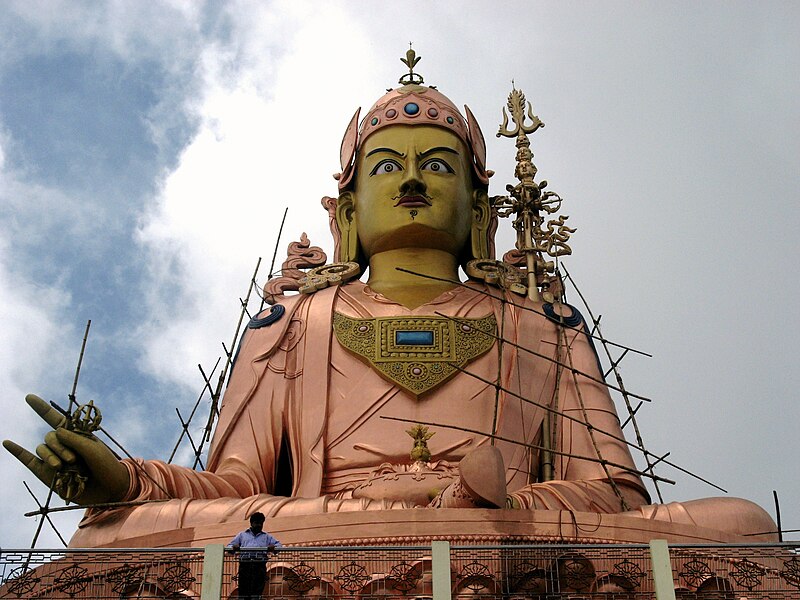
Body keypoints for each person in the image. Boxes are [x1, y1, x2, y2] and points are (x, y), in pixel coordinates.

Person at [4, 56, 777, 547]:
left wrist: (494, 496)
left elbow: (611, 492)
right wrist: (124, 484)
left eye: (438, 165)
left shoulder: (541, 323)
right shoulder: (293, 324)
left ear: (481, 209)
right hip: (321, 530)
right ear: (345, 214)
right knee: (109, 537)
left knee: (741, 527)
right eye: (387, 169)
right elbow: (238, 490)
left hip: (501, 521)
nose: (411, 181)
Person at [227, 512, 281, 600]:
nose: (259, 525)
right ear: (251, 523)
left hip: (259, 564)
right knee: (244, 589)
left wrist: (272, 547)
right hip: (245, 564)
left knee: (257, 590)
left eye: (261, 523)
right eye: (257, 523)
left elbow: (279, 546)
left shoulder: (266, 536)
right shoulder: (242, 535)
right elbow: (229, 546)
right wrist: (234, 547)